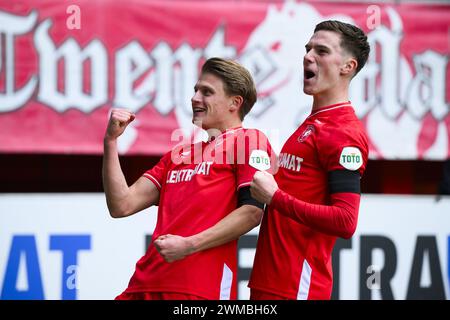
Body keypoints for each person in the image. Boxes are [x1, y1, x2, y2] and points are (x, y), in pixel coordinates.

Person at [103, 57, 275, 300]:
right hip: (143, 285)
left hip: (198, 288)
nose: (195, 98)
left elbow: (252, 213)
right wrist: (111, 142)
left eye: (207, 92)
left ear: (234, 103)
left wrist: (189, 245)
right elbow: (121, 205)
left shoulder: (249, 140)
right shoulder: (179, 154)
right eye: (195, 90)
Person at [248, 20, 370, 300]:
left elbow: (346, 221)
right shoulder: (312, 123)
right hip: (270, 281)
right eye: (307, 48)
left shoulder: (343, 132)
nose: (308, 56)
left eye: (322, 51)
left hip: (298, 286)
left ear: (347, 67)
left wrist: (275, 197)